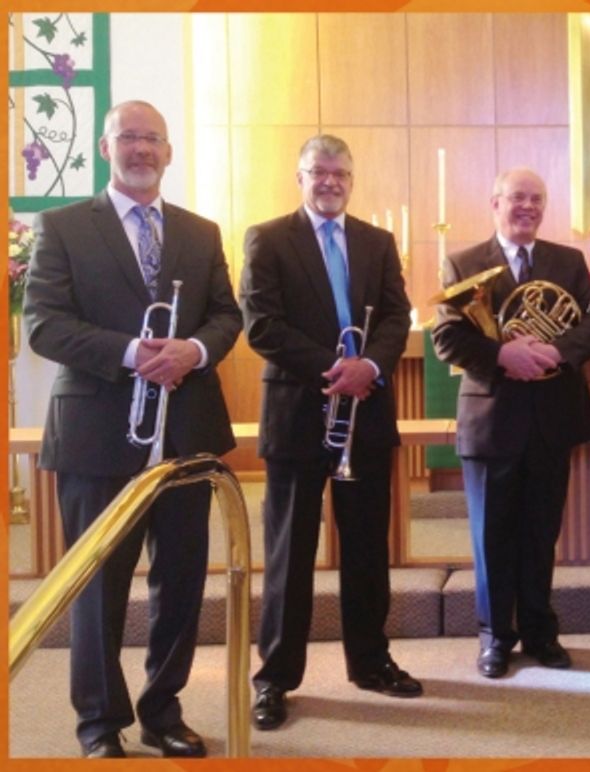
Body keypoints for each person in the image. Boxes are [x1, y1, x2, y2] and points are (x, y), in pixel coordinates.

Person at [23, 100, 241, 758]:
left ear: (168, 152)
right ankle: (98, 721)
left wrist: (193, 351)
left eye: (152, 139)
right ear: (105, 147)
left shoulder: (201, 232)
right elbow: (44, 324)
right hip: (95, 434)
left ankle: (162, 710)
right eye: (128, 137)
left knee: (181, 581)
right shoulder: (63, 225)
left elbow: (226, 317)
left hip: (185, 433)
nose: (141, 149)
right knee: (98, 585)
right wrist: (131, 352)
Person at [240, 134, 420, 730]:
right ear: (300, 177)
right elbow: (261, 325)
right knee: (290, 552)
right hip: (297, 413)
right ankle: (275, 678)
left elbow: (396, 315)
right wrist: (335, 367)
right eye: (319, 172)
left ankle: (370, 662)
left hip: (365, 414)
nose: (330, 182)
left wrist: (370, 366)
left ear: (351, 180)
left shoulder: (376, 241)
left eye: (340, 173)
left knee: (368, 548)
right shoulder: (268, 238)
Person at [432, 167, 590, 678]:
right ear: (495, 203)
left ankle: (539, 631)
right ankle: (494, 637)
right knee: (492, 536)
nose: (528, 207)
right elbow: (447, 338)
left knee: (540, 533)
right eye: (517, 198)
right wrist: (502, 355)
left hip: (551, 417)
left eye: (536, 199)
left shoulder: (568, 261)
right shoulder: (463, 263)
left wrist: (558, 351)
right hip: (492, 417)